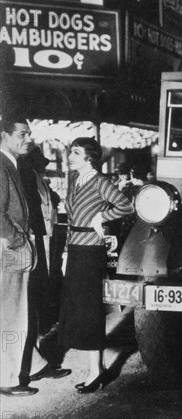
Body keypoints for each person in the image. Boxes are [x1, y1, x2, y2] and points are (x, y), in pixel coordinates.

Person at [59, 137, 134, 393]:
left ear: (89, 157)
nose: (70, 156)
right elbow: (72, 218)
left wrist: (101, 216)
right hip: (77, 249)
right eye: (71, 151)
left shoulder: (100, 182)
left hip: (92, 250)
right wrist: (66, 253)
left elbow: (126, 205)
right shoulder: (76, 181)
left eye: (76, 153)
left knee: (90, 309)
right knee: (79, 307)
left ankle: (96, 371)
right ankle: (97, 367)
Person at [17, 145, 71, 388]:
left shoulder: (35, 176)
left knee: (35, 303)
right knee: (28, 304)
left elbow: (52, 200)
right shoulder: (23, 174)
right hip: (31, 242)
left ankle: (32, 360)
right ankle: (29, 364)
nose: (44, 163)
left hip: (42, 241)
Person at [0, 116, 45, 396]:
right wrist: (18, 241)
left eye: (29, 134)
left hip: (12, 246)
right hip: (9, 248)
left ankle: (30, 365)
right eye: (22, 134)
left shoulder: (12, 164)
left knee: (14, 312)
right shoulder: (1, 165)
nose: (28, 139)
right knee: (11, 315)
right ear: (4, 135)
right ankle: (6, 379)